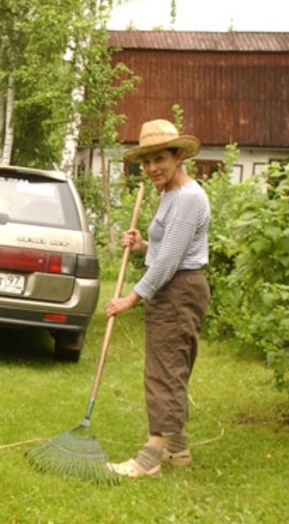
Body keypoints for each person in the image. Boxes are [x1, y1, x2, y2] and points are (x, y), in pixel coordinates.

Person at [105, 119, 210, 479]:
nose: (151, 168)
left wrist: (129, 299)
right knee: (171, 366)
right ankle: (177, 449)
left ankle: (149, 459)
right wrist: (142, 246)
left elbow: (169, 262)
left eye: (159, 159)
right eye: (146, 162)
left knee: (164, 371)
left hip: (179, 290)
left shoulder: (188, 198)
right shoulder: (170, 194)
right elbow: (167, 250)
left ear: (178, 155)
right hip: (174, 285)